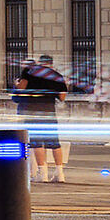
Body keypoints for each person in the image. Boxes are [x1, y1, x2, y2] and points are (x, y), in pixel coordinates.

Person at [17, 54, 70, 182]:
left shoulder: (29, 72)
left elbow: (21, 89)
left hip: (33, 111)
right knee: (54, 143)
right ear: (51, 64)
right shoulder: (57, 76)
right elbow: (62, 98)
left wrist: (17, 84)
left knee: (37, 142)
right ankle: (60, 173)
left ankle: (42, 173)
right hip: (50, 111)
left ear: (39, 63)